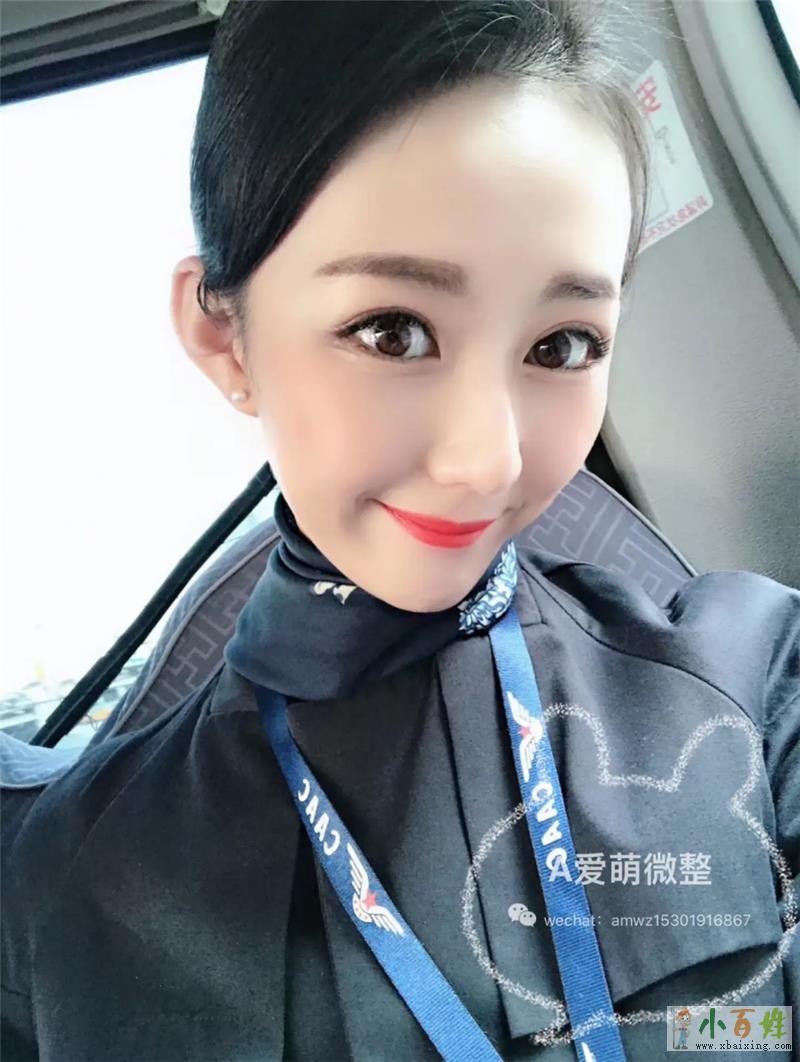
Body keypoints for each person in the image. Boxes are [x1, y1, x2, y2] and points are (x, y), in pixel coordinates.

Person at [2, 1, 798, 1059]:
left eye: (562, 345)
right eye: (392, 331)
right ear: (225, 337)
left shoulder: (753, 680)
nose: (488, 460)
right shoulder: (63, 884)